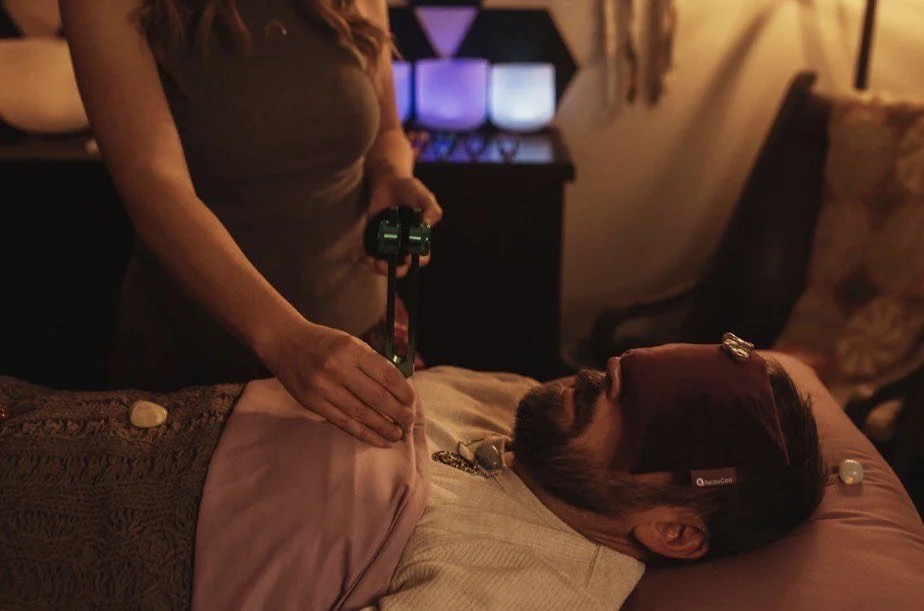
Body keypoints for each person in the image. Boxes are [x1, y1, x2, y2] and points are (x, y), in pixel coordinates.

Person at [58, 0, 441, 447]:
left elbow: (385, 134)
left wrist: (390, 178)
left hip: (363, 347)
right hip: (197, 370)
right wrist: (283, 337)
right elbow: (154, 185)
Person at [377, 338, 828, 608]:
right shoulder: (537, 413)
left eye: (655, 413)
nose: (609, 371)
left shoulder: (515, 588)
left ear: (672, 531)